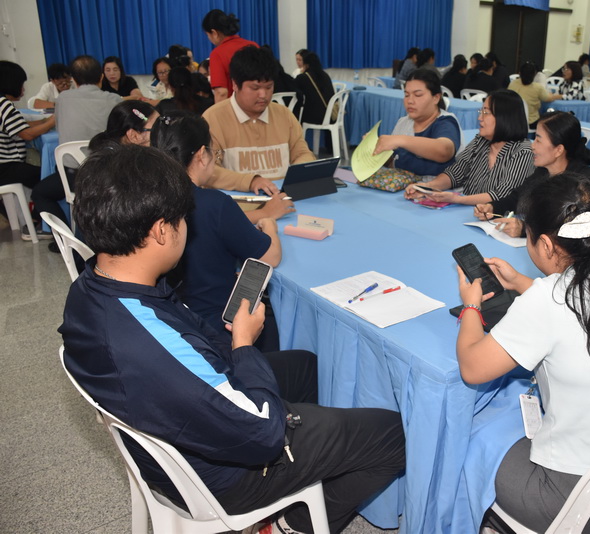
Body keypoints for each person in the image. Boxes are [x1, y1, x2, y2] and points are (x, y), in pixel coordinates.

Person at [60, 144, 406, 534]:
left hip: (184, 428)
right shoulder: (149, 341)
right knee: (392, 434)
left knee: (309, 367)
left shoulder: (92, 287)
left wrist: (236, 348)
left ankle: (319, 461)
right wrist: (243, 344)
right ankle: (297, 523)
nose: (187, 227)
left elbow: (191, 346)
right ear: (160, 230)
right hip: (225, 475)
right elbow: (264, 432)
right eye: (182, 218)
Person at [457, 174, 590, 533]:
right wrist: (523, 284)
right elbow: (584, 308)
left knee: (467, 438)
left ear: (545, 244)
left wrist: (470, 306)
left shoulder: (547, 300)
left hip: (576, 502)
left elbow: (472, 367)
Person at [150, 112, 285, 348]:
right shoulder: (214, 203)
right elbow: (271, 257)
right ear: (202, 155)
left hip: (171, 323)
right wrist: (270, 226)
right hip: (219, 329)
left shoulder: (146, 197)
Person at [202, 45, 313, 196]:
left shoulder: (284, 115)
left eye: (269, 87)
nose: (263, 95)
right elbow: (208, 171)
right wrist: (250, 181)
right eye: (255, 88)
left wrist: (298, 173)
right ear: (235, 84)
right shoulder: (213, 119)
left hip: (282, 199)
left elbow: (303, 154)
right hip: (237, 204)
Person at [32, 100, 158, 228]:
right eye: (157, 128)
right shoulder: (118, 170)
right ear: (134, 136)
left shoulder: (115, 156)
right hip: (112, 235)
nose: (162, 132)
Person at [474, 111, 590, 237]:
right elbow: (518, 198)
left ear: (558, 150)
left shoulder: (582, 181)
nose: (532, 146)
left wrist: (526, 230)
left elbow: (575, 224)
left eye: (538, 140)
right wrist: (493, 208)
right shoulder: (542, 172)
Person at [403, 89, 533, 206]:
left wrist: (457, 199)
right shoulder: (481, 141)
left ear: (505, 118)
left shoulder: (523, 151)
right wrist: (428, 187)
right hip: (466, 211)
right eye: (481, 112)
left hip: (495, 218)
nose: (480, 118)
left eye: (486, 113)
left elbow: (503, 194)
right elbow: (455, 173)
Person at [0, 60, 56, 239]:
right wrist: (52, 122)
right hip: (6, 167)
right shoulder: (3, 104)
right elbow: (27, 134)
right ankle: (40, 223)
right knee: (49, 178)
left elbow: (20, 125)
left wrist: (44, 121)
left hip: (5, 166)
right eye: (21, 84)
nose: (23, 89)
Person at [373, 69, 461, 178]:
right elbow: (393, 162)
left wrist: (401, 140)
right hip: (402, 185)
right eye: (406, 95)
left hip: (434, 187)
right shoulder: (403, 122)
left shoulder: (445, 122)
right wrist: (377, 148)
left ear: (436, 98)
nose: (410, 101)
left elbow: (444, 151)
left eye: (418, 95)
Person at [203, 9, 258, 103]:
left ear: (214, 33)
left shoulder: (217, 54)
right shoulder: (253, 45)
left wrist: (219, 111)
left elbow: (221, 92)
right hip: (258, 104)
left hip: (236, 107)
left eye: (207, 35)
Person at [508, 62, 560, 128]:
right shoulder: (537, 88)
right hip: (531, 122)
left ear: (519, 73)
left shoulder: (513, 83)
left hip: (512, 120)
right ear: (534, 74)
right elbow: (549, 98)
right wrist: (561, 96)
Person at [295, 50, 335, 125]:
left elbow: (296, 92)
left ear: (306, 64)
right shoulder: (325, 75)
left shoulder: (303, 77)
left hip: (316, 117)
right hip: (331, 115)